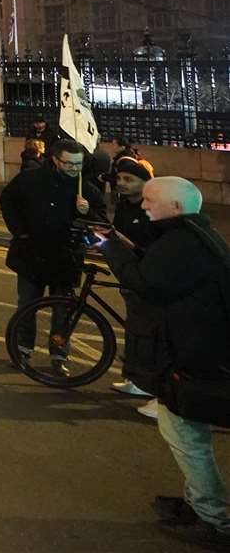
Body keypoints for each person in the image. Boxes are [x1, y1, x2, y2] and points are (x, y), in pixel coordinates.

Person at [96, 177, 230, 545]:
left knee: (186, 434)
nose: (143, 205)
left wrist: (108, 246)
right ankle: (199, 504)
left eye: (150, 200)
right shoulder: (189, 235)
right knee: (188, 433)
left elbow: (145, 282)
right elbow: (159, 268)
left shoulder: (184, 242)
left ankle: (213, 519)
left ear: (175, 207)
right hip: (198, 352)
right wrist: (123, 243)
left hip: (198, 357)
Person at [0, 139, 91, 374]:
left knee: (63, 311)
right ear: (55, 160)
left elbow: (98, 221)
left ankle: (59, 355)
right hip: (33, 254)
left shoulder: (83, 186)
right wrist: (20, 231)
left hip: (66, 258)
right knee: (27, 305)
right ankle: (22, 349)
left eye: (78, 165)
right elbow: (7, 201)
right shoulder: (30, 179)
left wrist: (87, 211)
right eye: (69, 164)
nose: (74, 170)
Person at [107, 157, 160, 406]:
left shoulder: (153, 209)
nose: (121, 183)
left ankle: (150, 384)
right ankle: (136, 378)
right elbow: (114, 237)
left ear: (145, 183)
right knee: (135, 327)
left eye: (129, 180)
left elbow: (157, 248)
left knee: (147, 331)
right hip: (129, 273)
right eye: (119, 179)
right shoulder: (124, 206)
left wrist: (131, 245)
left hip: (148, 277)